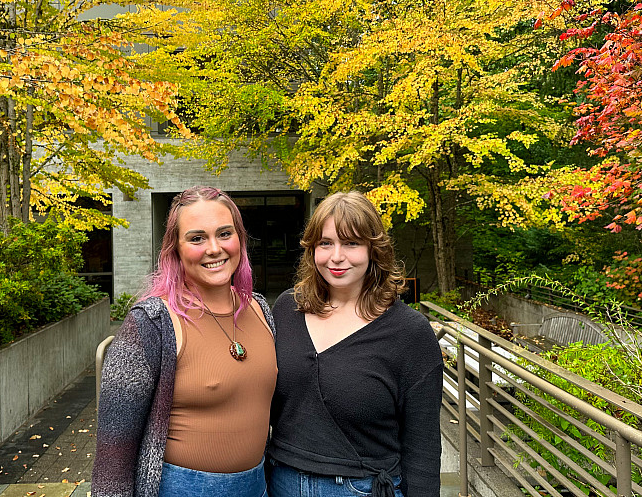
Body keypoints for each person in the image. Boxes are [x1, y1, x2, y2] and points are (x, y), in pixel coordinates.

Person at [92, 186, 277, 497]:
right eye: (197, 238)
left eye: (224, 233)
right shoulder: (150, 324)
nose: (214, 248)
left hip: (258, 486)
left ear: (240, 240)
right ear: (174, 249)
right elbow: (114, 450)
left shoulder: (260, 309)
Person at [267, 191, 443, 497]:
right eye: (326, 243)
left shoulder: (409, 333)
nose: (337, 256)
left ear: (374, 250)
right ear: (312, 249)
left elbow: (423, 444)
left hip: (359, 488)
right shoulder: (287, 309)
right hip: (281, 481)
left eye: (351, 243)